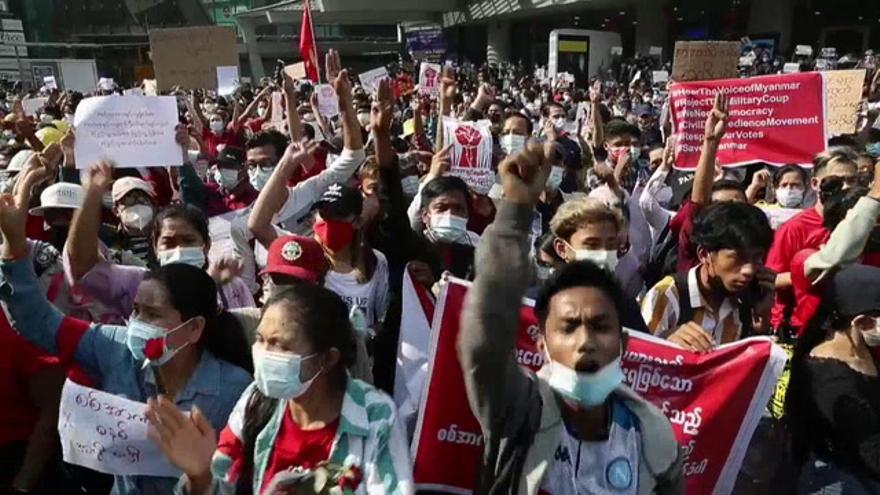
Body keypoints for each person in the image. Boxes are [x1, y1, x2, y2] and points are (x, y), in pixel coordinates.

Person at [0, 179, 252, 494]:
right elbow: (38, 321)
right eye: (136, 311)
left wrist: (200, 476)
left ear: (194, 328)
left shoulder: (236, 391)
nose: (138, 323)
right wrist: (14, 247)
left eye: (153, 315)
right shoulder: (114, 348)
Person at [458, 141, 682, 493]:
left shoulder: (653, 437)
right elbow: (484, 339)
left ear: (622, 342)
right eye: (568, 327)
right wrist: (515, 211)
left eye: (600, 326)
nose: (585, 342)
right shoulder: (522, 412)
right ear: (541, 343)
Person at [145, 284, 414, 495]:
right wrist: (200, 473)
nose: (263, 353)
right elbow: (219, 484)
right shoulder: (256, 400)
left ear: (328, 358)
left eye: (280, 345)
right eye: (260, 340)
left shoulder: (375, 415)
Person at [65, 163, 255, 324]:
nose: (179, 249)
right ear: (155, 247)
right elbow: (83, 267)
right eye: (168, 242)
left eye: (188, 241)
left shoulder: (232, 287)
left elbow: (248, 338)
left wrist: (211, 286)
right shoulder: (137, 283)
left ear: (206, 245)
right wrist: (92, 194)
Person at [786, 264, 880, 494]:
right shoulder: (831, 379)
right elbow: (872, 453)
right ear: (862, 323)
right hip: (843, 480)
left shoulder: (859, 347)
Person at [641, 202, 775, 351]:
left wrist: (761, 323)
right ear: (704, 255)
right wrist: (664, 341)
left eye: (757, 258)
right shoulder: (668, 296)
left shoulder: (744, 303)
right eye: (739, 258)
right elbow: (635, 360)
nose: (749, 270)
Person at [767, 147, 860, 334]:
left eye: (852, 180)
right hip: (806, 330)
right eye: (837, 181)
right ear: (816, 184)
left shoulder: (864, 224)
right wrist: (811, 271)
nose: (846, 187)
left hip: (854, 328)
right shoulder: (795, 228)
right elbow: (770, 279)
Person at [548, 195, 649, 331]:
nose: (604, 253)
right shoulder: (540, 302)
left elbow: (643, 347)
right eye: (592, 245)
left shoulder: (624, 306)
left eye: (611, 244)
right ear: (562, 249)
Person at [106, 176, 157, 266]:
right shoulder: (108, 242)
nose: (138, 206)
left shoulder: (165, 237)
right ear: (116, 210)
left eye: (144, 200)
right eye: (129, 200)